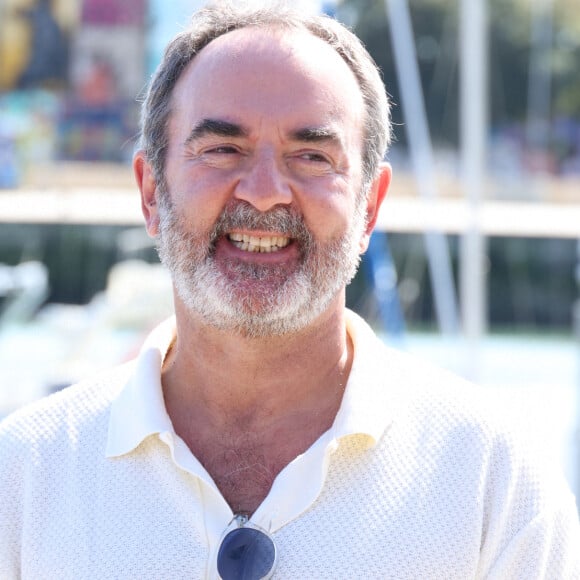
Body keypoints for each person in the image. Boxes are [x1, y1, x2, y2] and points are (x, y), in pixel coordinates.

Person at [1, 2, 579, 578]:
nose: (264, 192)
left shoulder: (494, 483)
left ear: (369, 206)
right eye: (223, 149)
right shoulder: (25, 476)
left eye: (311, 156)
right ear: (152, 192)